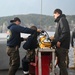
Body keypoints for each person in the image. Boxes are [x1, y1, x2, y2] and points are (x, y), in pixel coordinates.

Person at [50, 9, 70, 75]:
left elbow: (65, 32)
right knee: (60, 63)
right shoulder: (60, 20)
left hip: (62, 46)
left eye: (54, 15)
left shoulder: (62, 20)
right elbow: (61, 32)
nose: (54, 16)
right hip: (61, 45)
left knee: (61, 64)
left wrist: (59, 41)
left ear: (57, 13)